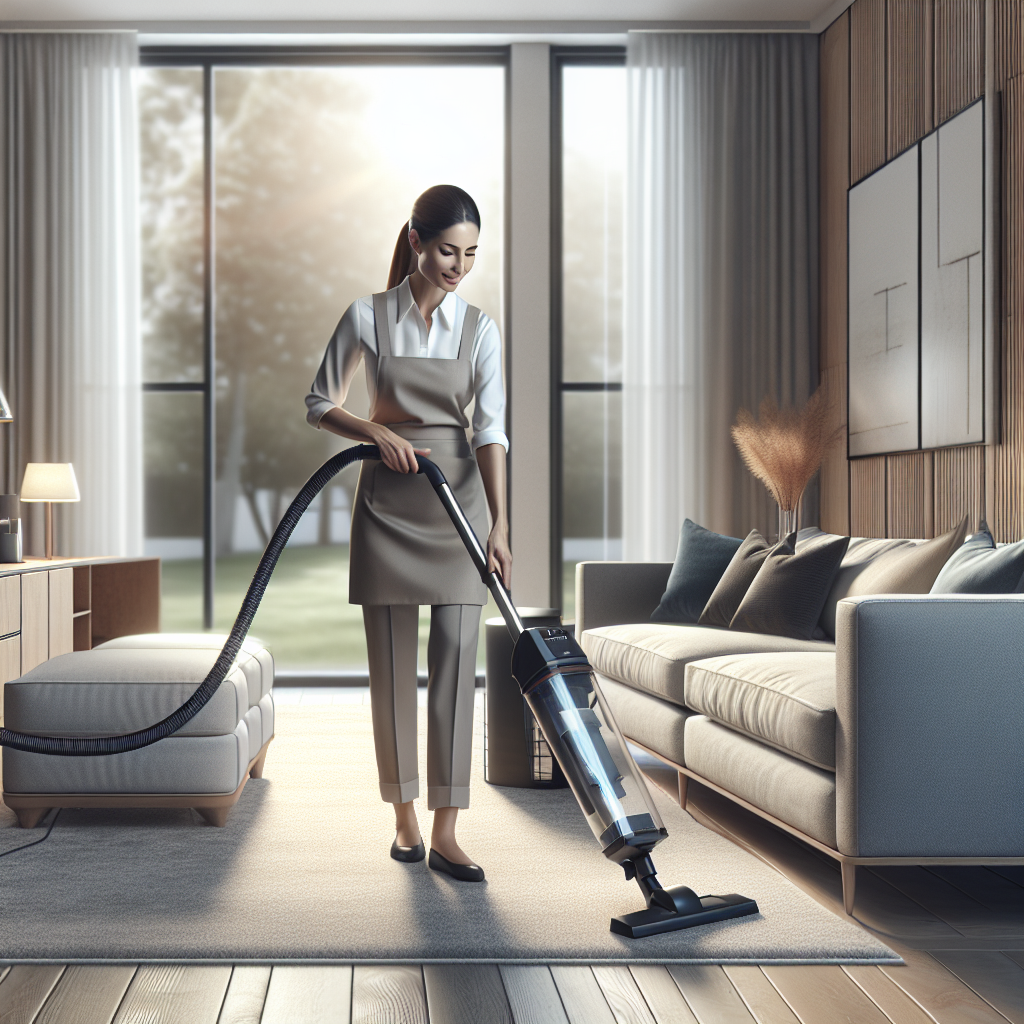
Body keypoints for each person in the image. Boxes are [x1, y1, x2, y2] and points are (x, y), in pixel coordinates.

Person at [305, 185, 510, 882]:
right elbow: (319, 402)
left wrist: (501, 523)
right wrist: (374, 431)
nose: (459, 265)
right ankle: (404, 819)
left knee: (456, 665)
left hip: (459, 505)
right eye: (449, 250)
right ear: (416, 241)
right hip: (389, 503)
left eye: (472, 254)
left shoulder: (481, 328)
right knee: (391, 671)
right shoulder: (366, 315)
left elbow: (491, 430)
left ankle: (449, 830)